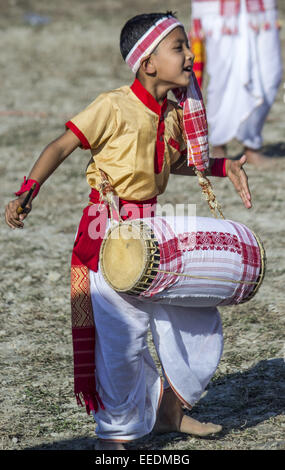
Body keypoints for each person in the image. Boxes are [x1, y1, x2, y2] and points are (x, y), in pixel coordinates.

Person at [5, 11, 252, 450]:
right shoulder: (114, 105)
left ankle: (169, 413)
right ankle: (116, 438)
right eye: (179, 47)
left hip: (153, 232)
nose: (189, 56)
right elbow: (63, 144)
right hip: (109, 236)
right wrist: (28, 189)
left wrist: (220, 166)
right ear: (148, 62)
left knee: (197, 319)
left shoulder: (172, 113)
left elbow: (172, 163)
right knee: (124, 338)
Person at [190, 0, 283, 165]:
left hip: (261, 9)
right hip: (218, 10)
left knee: (270, 75)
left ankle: (251, 145)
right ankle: (218, 145)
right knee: (222, 79)